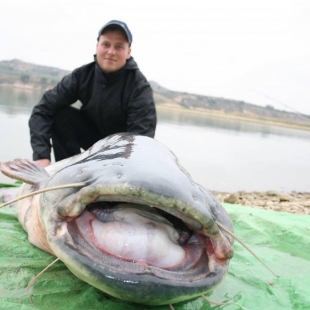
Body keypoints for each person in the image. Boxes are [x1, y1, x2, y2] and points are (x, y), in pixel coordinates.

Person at [29, 20, 157, 167]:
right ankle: (69, 173)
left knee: (137, 146)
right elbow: (42, 110)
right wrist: (41, 156)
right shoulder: (82, 76)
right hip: (92, 140)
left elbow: (141, 141)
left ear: (128, 52)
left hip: (120, 151)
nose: (111, 52)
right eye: (106, 44)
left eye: (119, 46)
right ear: (97, 46)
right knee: (61, 116)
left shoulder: (139, 87)